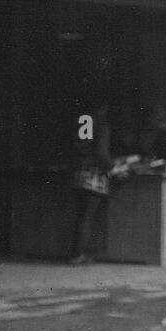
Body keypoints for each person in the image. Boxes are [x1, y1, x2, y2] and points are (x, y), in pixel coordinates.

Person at [69, 101, 112, 265]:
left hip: (78, 172)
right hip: (94, 174)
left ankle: (77, 253)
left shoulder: (80, 120)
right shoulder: (101, 124)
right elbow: (101, 152)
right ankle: (81, 254)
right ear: (103, 107)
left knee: (81, 215)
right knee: (89, 216)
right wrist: (111, 167)